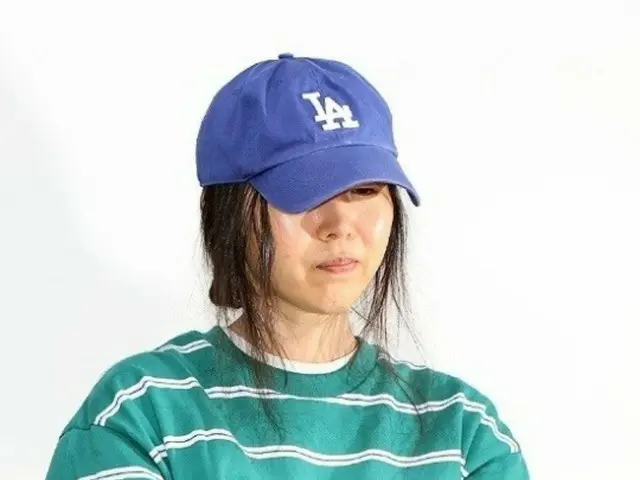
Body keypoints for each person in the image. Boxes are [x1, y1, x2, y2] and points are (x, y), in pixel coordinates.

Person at [45, 53, 530, 479]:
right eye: (306, 190)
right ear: (227, 213)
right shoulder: (143, 414)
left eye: (365, 190)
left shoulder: (465, 435)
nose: (340, 225)